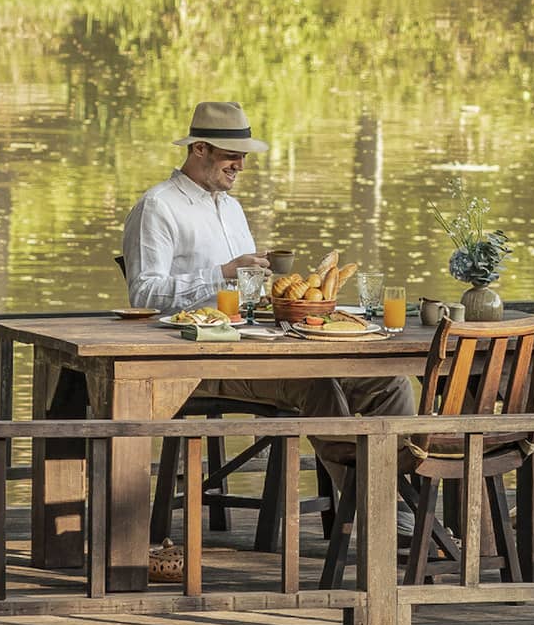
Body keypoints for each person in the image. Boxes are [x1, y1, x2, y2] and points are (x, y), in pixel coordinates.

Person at [122, 100, 414, 481]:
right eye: (231, 157)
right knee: (318, 385)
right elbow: (144, 295)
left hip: (257, 347)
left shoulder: (232, 208)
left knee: (389, 381)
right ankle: (366, 507)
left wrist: (274, 289)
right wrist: (223, 272)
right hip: (196, 361)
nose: (240, 166)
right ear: (199, 149)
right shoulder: (158, 206)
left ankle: (402, 508)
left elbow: (248, 293)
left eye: (242, 157)